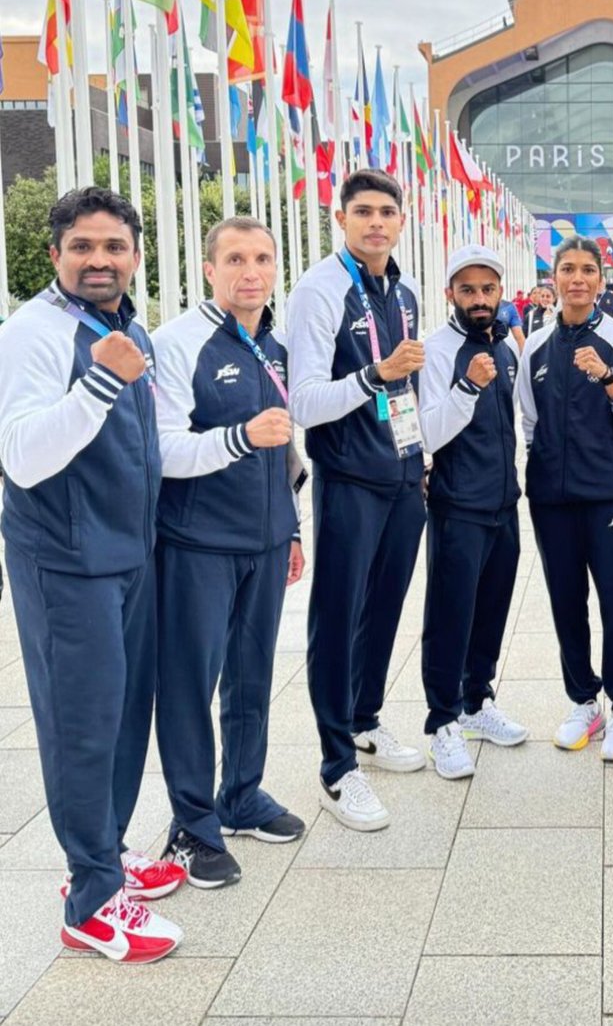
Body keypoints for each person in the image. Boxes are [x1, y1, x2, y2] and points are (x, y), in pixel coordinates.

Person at [0, 187, 184, 962]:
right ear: (55, 255)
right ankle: (91, 900)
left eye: (114, 246)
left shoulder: (126, 327)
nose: (99, 259)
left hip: (128, 554)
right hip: (66, 560)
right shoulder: (33, 333)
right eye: (82, 246)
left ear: (135, 256)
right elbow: (22, 456)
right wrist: (101, 381)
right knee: (82, 726)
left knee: (123, 716)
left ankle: (104, 849)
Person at [152, 217, 307, 888]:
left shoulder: (274, 344)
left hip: (264, 542)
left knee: (250, 678)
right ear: (209, 268)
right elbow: (162, 450)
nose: (252, 271)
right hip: (198, 545)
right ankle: (191, 824)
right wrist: (240, 436)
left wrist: (291, 529)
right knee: (189, 684)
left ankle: (240, 795)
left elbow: (285, 451)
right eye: (236, 259)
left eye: (263, 258)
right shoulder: (177, 342)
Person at [288, 169, 427, 832]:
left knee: (385, 606)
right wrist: (375, 373)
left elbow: (410, 386)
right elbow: (304, 401)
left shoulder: (404, 289)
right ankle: (336, 766)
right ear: (340, 219)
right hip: (348, 474)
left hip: (402, 470)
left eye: (386, 212)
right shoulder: (320, 290)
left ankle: (365, 720)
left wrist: (420, 457)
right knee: (338, 615)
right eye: (363, 211)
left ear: (401, 221)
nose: (376, 222)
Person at [518, 236, 613, 760]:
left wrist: (609, 379)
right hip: (552, 500)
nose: (577, 279)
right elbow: (529, 421)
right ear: (553, 278)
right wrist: (544, 468)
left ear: (601, 279)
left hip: (609, 495)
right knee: (566, 602)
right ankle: (583, 700)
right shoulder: (535, 344)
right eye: (568, 269)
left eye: (587, 270)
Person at [419, 244, 528, 779]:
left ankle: (476, 701)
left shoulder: (505, 346)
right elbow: (429, 432)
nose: (479, 299)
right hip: (458, 505)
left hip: (503, 503)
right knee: (449, 616)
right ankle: (442, 721)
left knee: (491, 611)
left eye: (487, 289)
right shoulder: (437, 350)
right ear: (450, 294)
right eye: (468, 290)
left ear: (501, 293)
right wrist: (468, 386)